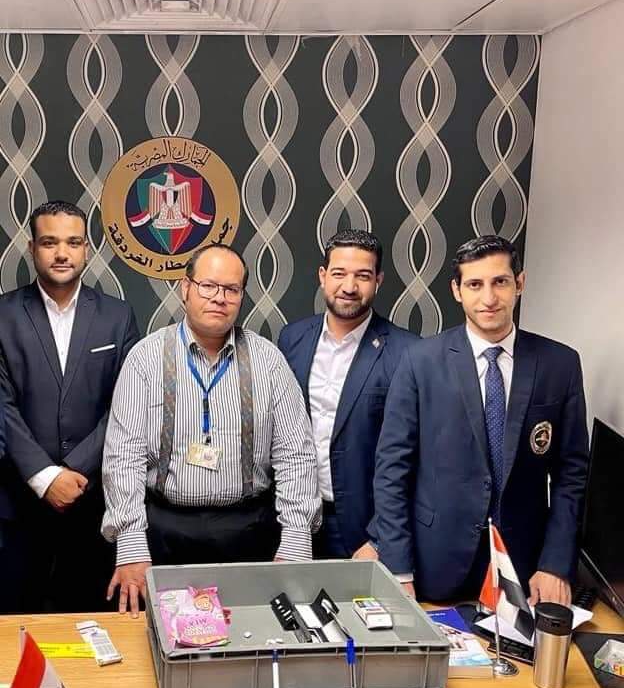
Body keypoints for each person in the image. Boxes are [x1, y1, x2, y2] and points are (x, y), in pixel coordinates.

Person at [102, 243, 321, 616]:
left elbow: (295, 455)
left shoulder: (269, 360)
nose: (219, 297)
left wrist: (296, 539)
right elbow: (123, 456)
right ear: (185, 288)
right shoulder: (145, 358)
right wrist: (131, 544)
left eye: (231, 289)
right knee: (162, 638)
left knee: (252, 636)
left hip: (249, 533)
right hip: (164, 533)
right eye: (208, 286)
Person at [373, 235, 588, 605]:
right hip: (434, 564)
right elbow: (391, 470)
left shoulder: (560, 365)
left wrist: (555, 564)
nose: (488, 298)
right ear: (457, 291)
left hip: (525, 568)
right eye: (475, 284)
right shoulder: (420, 362)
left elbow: (572, 473)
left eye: (499, 281)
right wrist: (398, 570)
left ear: (519, 283)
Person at [0, 201, 139, 613]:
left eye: (73, 242)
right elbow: (1, 405)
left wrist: (75, 469)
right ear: (32, 248)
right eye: (50, 242)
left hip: (91, 505)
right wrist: (45, 477)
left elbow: (127, 404)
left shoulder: (117, 316)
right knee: (14, 628)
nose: (62, 253)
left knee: (92, 629)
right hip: (18, 508)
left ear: (86, 249)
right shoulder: (2, 315)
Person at [278, 230, 418, 558]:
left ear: (378, 281)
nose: (349, 286)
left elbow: (417, 457)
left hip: (363, 529)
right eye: (339, 273)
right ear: (323, 276)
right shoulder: (291, 338)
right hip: (293, 518)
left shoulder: (408, 352)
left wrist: (379, 537)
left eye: (363, 276)